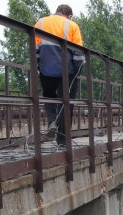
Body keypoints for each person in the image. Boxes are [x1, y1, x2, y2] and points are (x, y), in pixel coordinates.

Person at [35, 5, 84, 147]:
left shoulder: (40, 22)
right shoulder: (72, 25)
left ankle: (52, 122)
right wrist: (77, 72)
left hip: (46, 69)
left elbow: (35, 49)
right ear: (69, 15)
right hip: (66, 71)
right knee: (66, 104)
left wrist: (39, 66)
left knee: (49, 97)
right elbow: (78, 53)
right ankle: (62, 141)